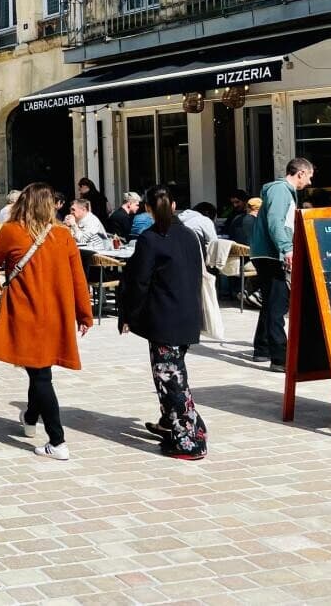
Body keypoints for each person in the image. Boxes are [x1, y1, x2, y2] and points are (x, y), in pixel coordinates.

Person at [0, 182, 93, 461]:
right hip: (56, 313)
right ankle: (30, 418)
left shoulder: (12, 231)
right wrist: (84, 313)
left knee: (41, 374)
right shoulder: (63, 234)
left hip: (27, 312)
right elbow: (78, 277)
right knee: (39, 369)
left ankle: (57, 440)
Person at [118, 185, 208, 460]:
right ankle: (169, 424)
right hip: (188, 315)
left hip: (164, 319)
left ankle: (190, 440)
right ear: (174, 205)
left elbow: (139, 282)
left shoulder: (150, 238)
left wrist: (129, 315)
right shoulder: (189, 235)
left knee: (171, 380)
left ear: (147, 208)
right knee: (173, 372)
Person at [250, 158, 315, 371]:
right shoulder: (280, 190)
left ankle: (262, 348)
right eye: (309, 176)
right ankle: (279, 357)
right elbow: (275, 221)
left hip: (266, 252)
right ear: (300, 173)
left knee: (271, 302)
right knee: (278, 305)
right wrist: (287, 248)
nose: (309, 182)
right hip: (271, 254)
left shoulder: (281, 191)